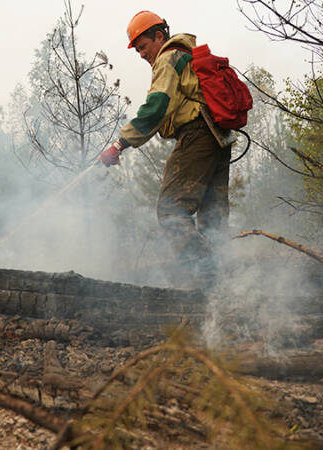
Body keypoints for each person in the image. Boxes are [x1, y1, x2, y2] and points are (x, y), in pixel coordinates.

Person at [99, 11, 232, 287]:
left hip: (197, 135)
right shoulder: (187, 57)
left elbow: (157, 106)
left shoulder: (168, 58)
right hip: (218, 138)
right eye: (137, 50)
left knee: (171, 211)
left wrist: (120, 143)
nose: (141, 54)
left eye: (143, 47)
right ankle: (222, 291)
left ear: (159, 36)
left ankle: (206, 280)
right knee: (213, 219)